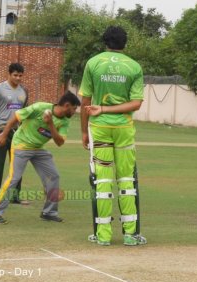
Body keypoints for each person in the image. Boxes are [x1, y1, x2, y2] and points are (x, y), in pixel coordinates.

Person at [79, 25, 147, 246]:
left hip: (98, 127)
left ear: (105, 42)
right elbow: (136, 103)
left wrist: (83, 131)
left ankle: (103, 236)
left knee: (103, 180)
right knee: (127, 180)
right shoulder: (134, 66)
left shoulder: (94, 63)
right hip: (124, 128)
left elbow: (85, 102)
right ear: (125, 43)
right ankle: (130, 235)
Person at [0, 91, 81, 224]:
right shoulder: (40, 107)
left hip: (38, 148)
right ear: (67, 105)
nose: (75, 112)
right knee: (14, 178)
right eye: (74, 108)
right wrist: (4, 135)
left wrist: (51, 124)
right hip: (21, 145)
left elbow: (60, 142)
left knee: (53, 176)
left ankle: (49, 212)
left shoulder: (64, 121)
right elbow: (16, 117)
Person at [0, 63, 28, 204]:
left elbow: (24, 113)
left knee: (17, 165)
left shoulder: (23, 91)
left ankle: (15, 196)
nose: (18, 78)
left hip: (18, 132)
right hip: (1, 130)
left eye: (20, 75)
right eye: (15, 75)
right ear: (9, 74)